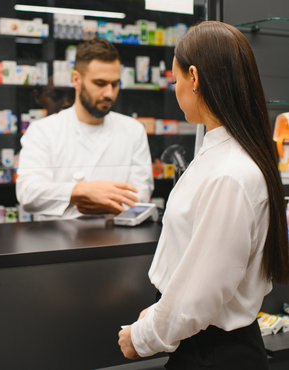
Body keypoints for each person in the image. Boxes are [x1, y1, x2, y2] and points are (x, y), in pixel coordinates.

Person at [118, 21, 289, 369]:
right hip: (204, 341)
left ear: (193, 78)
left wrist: (141, 337)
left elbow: (201, 294)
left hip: (214, 353)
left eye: (175, 79)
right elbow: (199, 270)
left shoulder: (230, 173)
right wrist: (158, 312)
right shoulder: (222, 154)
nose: (175, 87)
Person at [16, 37, 154, 220]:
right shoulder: (43, 131)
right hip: (57, 242)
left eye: (115, 84)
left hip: (118, 240)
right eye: (100, 83)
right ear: (76, 79)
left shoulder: (133, 130)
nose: (109, 93)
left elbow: (140, 195)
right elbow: (28, 193)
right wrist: (79, 191)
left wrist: (100, 204)